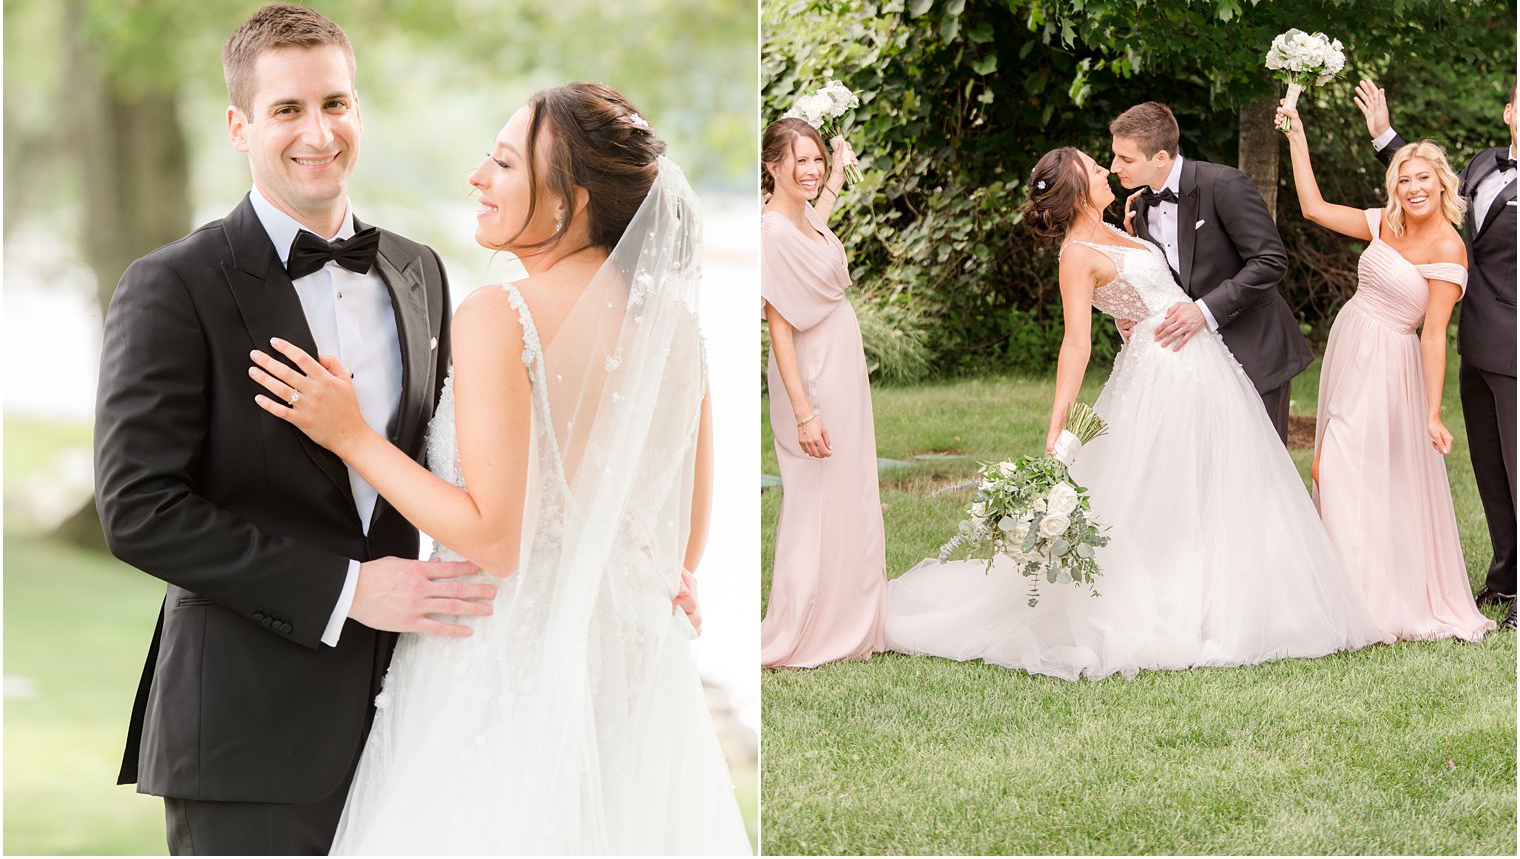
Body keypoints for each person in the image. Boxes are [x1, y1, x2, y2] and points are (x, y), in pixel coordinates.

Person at [247, 82, 749, 854]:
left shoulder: (499, 313)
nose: (477, 177)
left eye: (505, 163)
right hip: (635, 672)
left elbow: (494, 538)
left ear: (566, 204)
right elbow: (685, 539)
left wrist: (351, 436)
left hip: (498, 667)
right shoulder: (674, 331)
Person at [94, 3, 493, 855]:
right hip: (246, 735)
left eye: (337, 103)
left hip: (412, 716)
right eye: (287, 110)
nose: (319, 131)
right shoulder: (173, 284)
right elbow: (137, 510)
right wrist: (348, 592)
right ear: (240, 126)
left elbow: (451, 470)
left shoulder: (418, 272)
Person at [884, 148, 1389, 681]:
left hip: (1205, 364)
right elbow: (1076, 344)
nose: (1106, 170)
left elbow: (1145, 290)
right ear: (1078, 192)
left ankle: (1237, 596)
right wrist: (1059, 421)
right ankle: (1179, 604)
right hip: (1159, 374)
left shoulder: (1122, 225)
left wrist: (1132, 283)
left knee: (1223, 483)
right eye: (1095, 168)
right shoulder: (1076, 255)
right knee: (1165, 493)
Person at [1279, 104, 1495, 643]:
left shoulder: (1450, 247)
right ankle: (1336, 595)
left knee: (1343, 468)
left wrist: (1430, 411)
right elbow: (1312, 207)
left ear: (1442, 184)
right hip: (1350, 347)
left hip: (1390, 365)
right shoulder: (1383, 222)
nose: (1414, 188)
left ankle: (1368, 603)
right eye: (1404, 179)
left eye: (1423, 178)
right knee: (1329, 467)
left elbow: (1433, 334)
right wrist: (1297, 136)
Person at [1355, 80, 1516, 632]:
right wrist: (1385, 138)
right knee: (1492, 468)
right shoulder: (1482, 165)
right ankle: (1504, 579)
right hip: (1475, 338)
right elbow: (1434, 199)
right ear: (1508, 110)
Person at [759, 117, 887, 668]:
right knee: (813, 498)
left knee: (847, 488)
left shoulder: (801, 218)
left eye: (814, 159)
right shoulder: (768, 231)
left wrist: (836, 171)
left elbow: (814, 226)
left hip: (841, 365)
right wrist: (804, 412)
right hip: (810, 375)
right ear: (771, 166)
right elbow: (779, 327)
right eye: (800, 162)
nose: (809, 171)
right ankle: (804, 625)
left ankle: (848, 612)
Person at [1109, 102, 1312, 443]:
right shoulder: (1141, 207)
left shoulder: (1223, 183)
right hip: (1195, 365)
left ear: (1160, 157)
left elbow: (1270, 260)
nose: (1114, 167)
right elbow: (1163, 280)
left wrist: (1203, 311)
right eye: (1115, 156)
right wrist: (1129, 315)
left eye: (1125, 159)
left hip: (1254, 350)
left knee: (1259, 473)